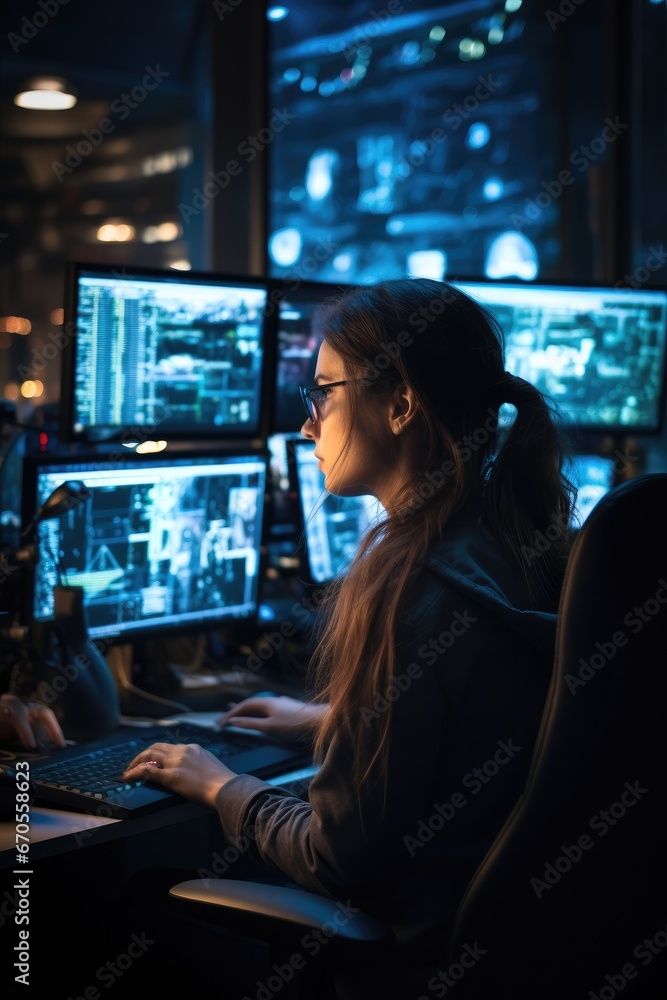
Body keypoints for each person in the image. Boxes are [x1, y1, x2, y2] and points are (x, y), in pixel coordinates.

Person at [123, 277, 575, 995]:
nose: (308, 426)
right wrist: (330, 721)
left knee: (123, 904)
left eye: (322, 393)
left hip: (413, 956)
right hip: (522, 947)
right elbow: (487, 726)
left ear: (398, 405)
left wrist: (221, 785)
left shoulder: (405, 585)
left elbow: (337, 861)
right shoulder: (520, 542)